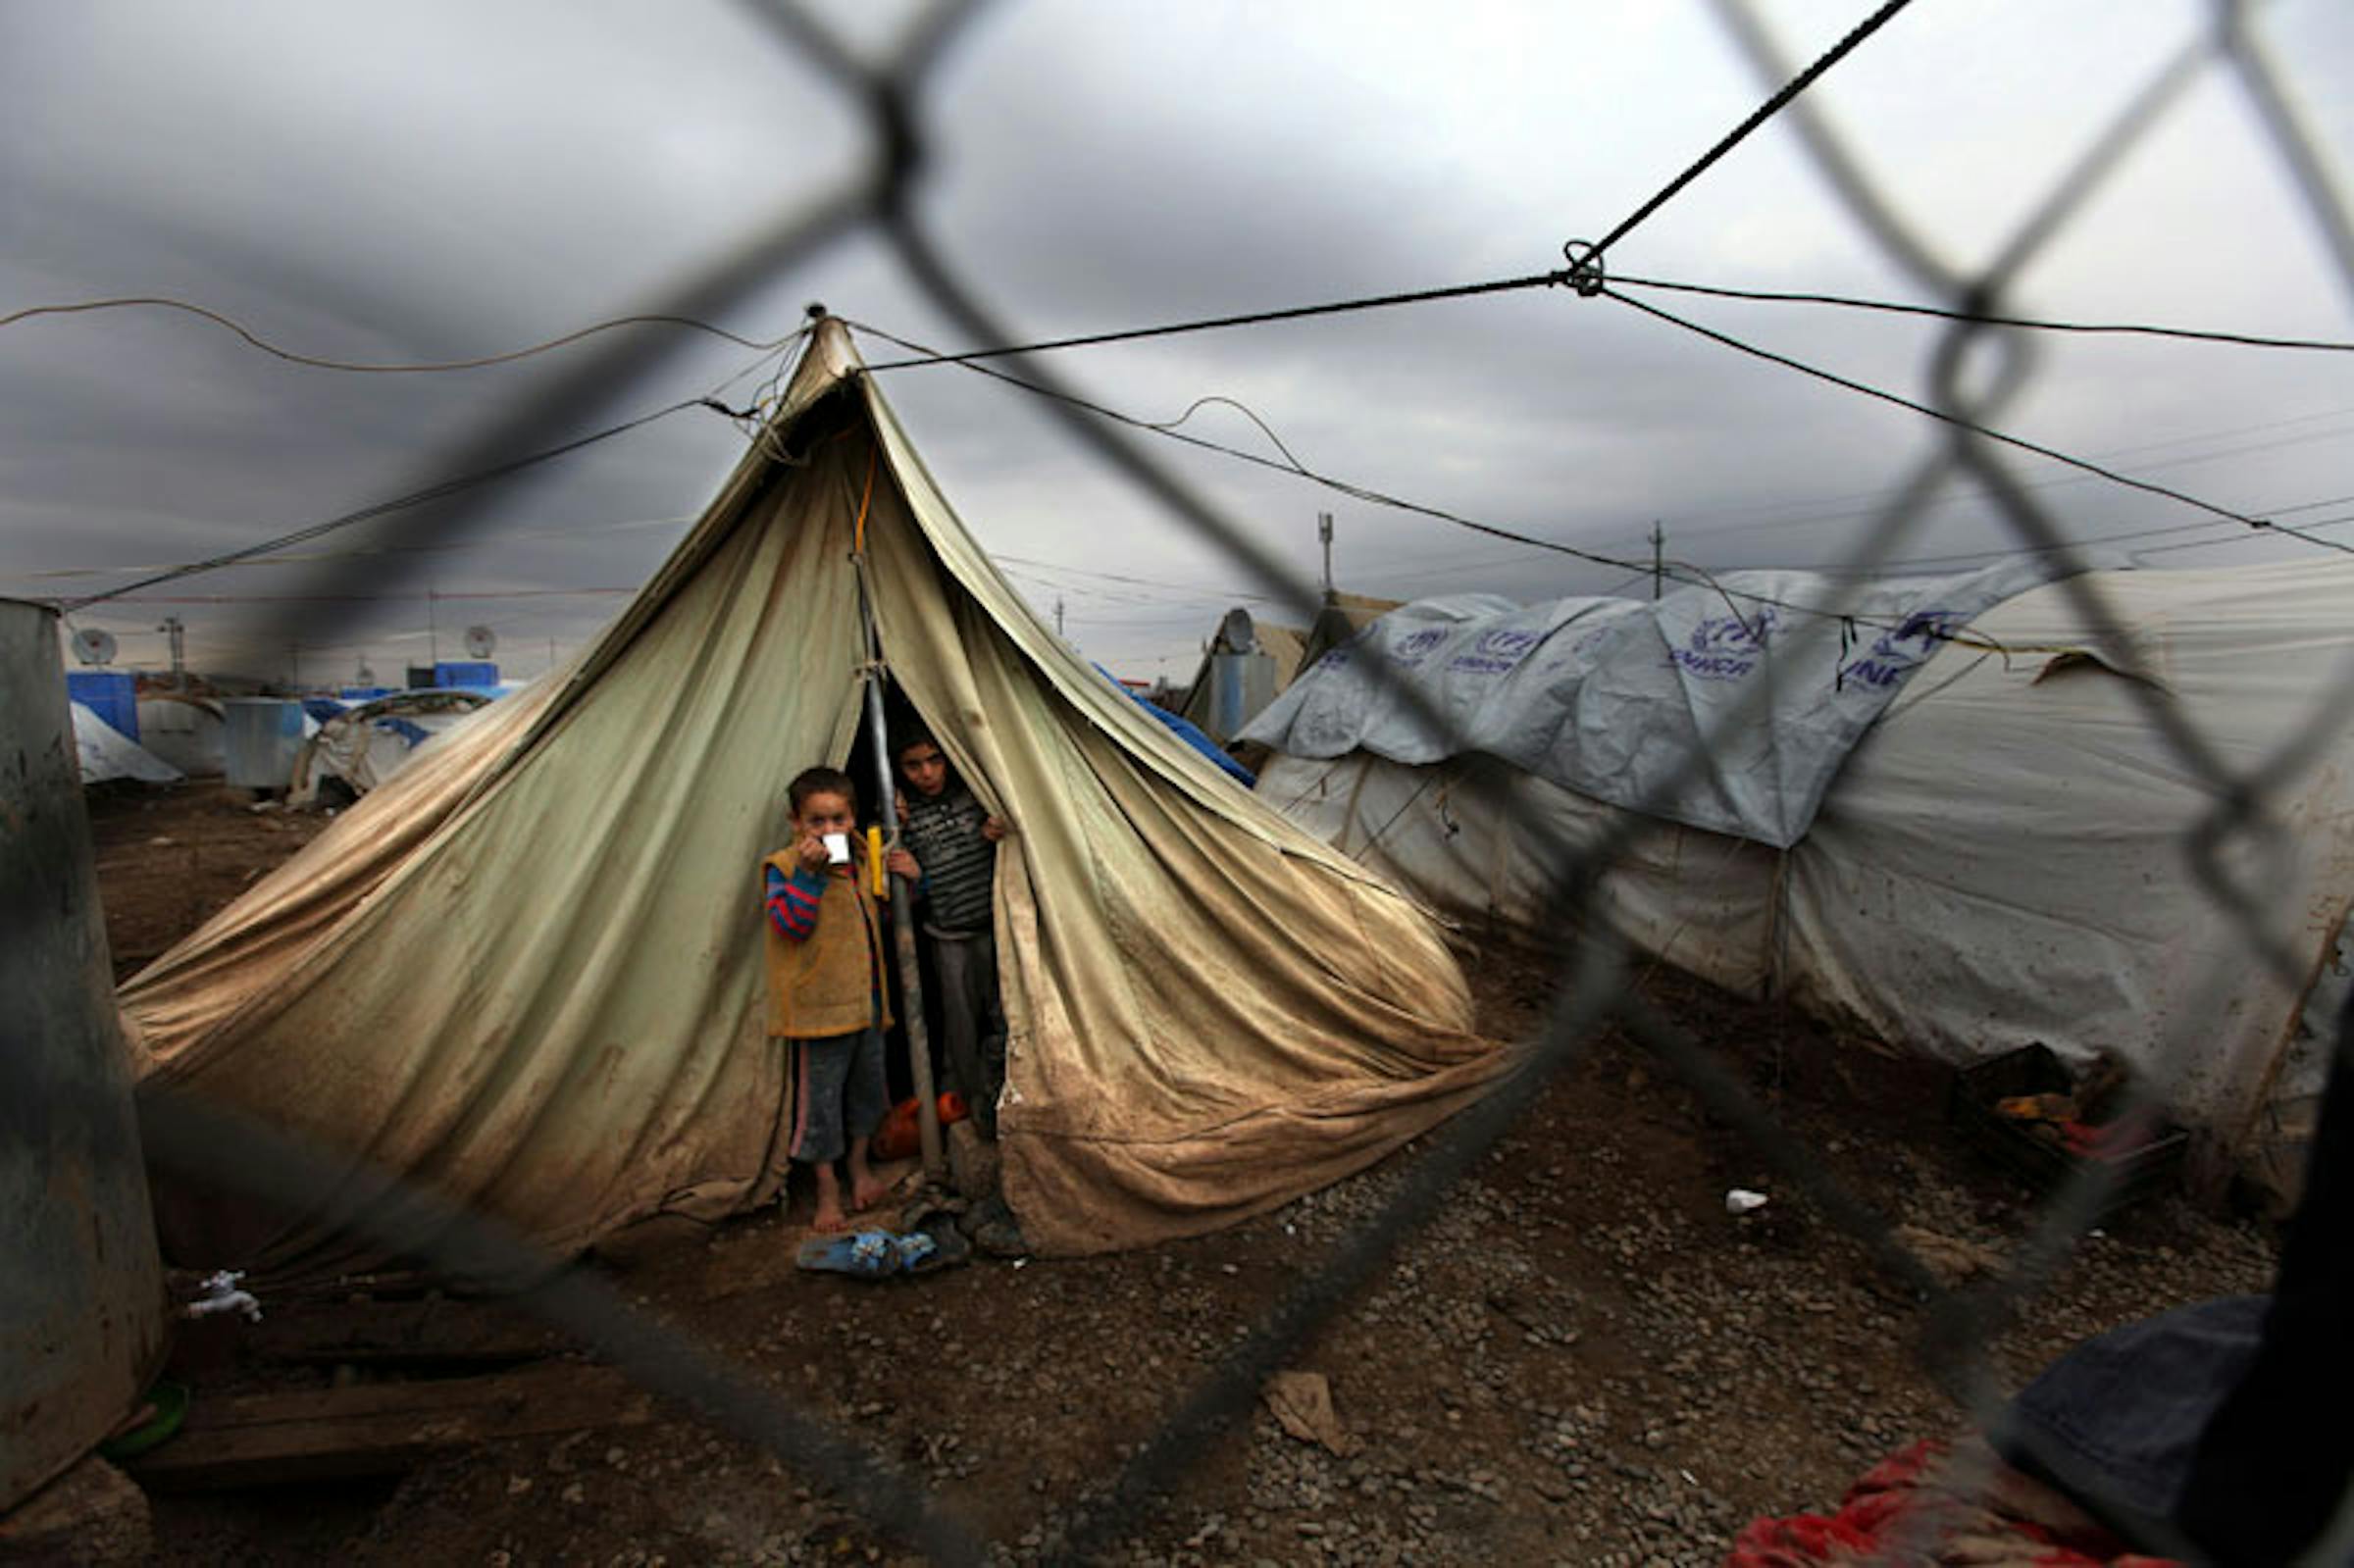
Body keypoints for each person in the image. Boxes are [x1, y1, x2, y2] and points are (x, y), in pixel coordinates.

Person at [763, 765, 896, 1233]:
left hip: (867, 1004)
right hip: (818, 1012)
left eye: (838, 819)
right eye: (816, 821)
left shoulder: (863, 861)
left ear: (853, 818)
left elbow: (887, 912)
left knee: (866, 1094)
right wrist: (809, 877)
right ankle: (825, 1187)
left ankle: (859, 1168)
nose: (829, 830)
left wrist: (905, 877)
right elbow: (790, 926)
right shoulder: (784, 868)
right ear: (795, 822)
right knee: (820, 1105)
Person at [882, 732, 1009, 1138]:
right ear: (898, 772)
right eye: (913, 765)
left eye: (934, 760)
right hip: (948, 937)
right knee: (961, 1026)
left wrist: (997, 835)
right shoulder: (901, 819)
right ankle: (969, 1108)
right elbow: (894, 895)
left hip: (997, 928)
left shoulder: (977, 795)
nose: (927, 773)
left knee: (1005, 1018)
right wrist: (916, 876)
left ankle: (1007, 1103)